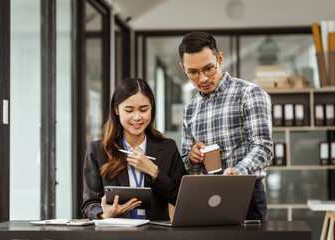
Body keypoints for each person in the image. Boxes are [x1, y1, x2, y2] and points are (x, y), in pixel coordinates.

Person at [178, 31, 273, 221]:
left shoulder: (249, 93)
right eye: (193, 72)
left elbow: (263, 147)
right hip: (204, 196)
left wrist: (236, 173)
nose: (203, 78)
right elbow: (186, 165)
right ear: (183, 69)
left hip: (245, 194)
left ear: (220, 59)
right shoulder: (190, 109)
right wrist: (192, 158)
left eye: (208, 68)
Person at [81, 77, 186, 220]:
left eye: (144, 109)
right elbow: (89, 203)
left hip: (155, 234)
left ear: (152, 108)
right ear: (116, 110)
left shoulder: (167, 148)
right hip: (116, 234)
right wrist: (104, 214)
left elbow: (182, 199)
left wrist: (154, 171)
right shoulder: (98, 150)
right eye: (129, 110)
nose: (137, 117)